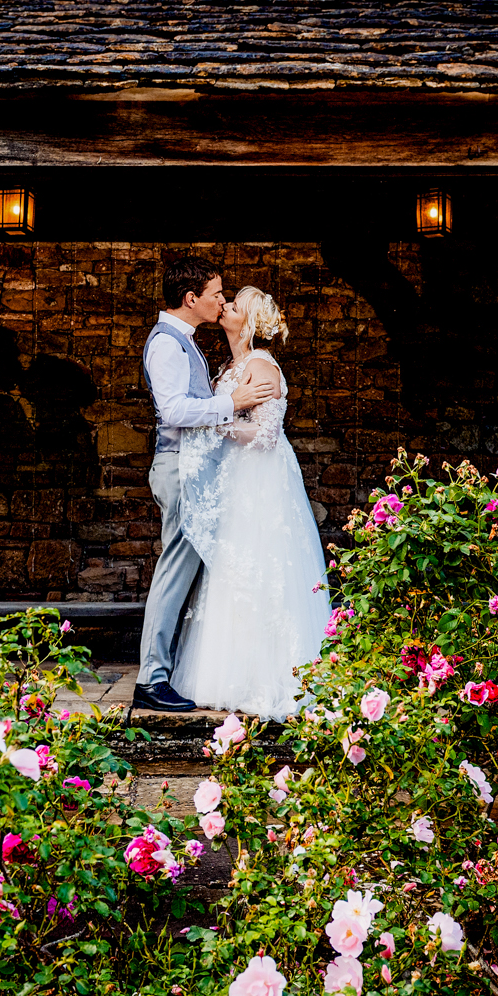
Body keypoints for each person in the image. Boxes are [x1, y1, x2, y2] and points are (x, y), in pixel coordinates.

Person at [170, 286, 331, 719]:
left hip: (261, 484)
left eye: (234, 305)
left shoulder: (260, 365)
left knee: (261, 569)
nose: (224, 306)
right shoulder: (233, 363)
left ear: (250, 322)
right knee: (233, 572)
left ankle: (270, 678)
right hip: (237, 480)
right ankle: (227, 674)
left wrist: (214, 424)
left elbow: (263, 436)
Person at [134, 256, 277, 712]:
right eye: (216, 293)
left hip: (194, 467)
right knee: (175, 569)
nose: (221, 300)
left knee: (188, 571)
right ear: (191, 298)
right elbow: (173, 410)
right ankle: (152, 678)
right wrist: (230, 402)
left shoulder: (186, 342)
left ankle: (168, 670)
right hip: (177, 466)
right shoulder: (166, 345)